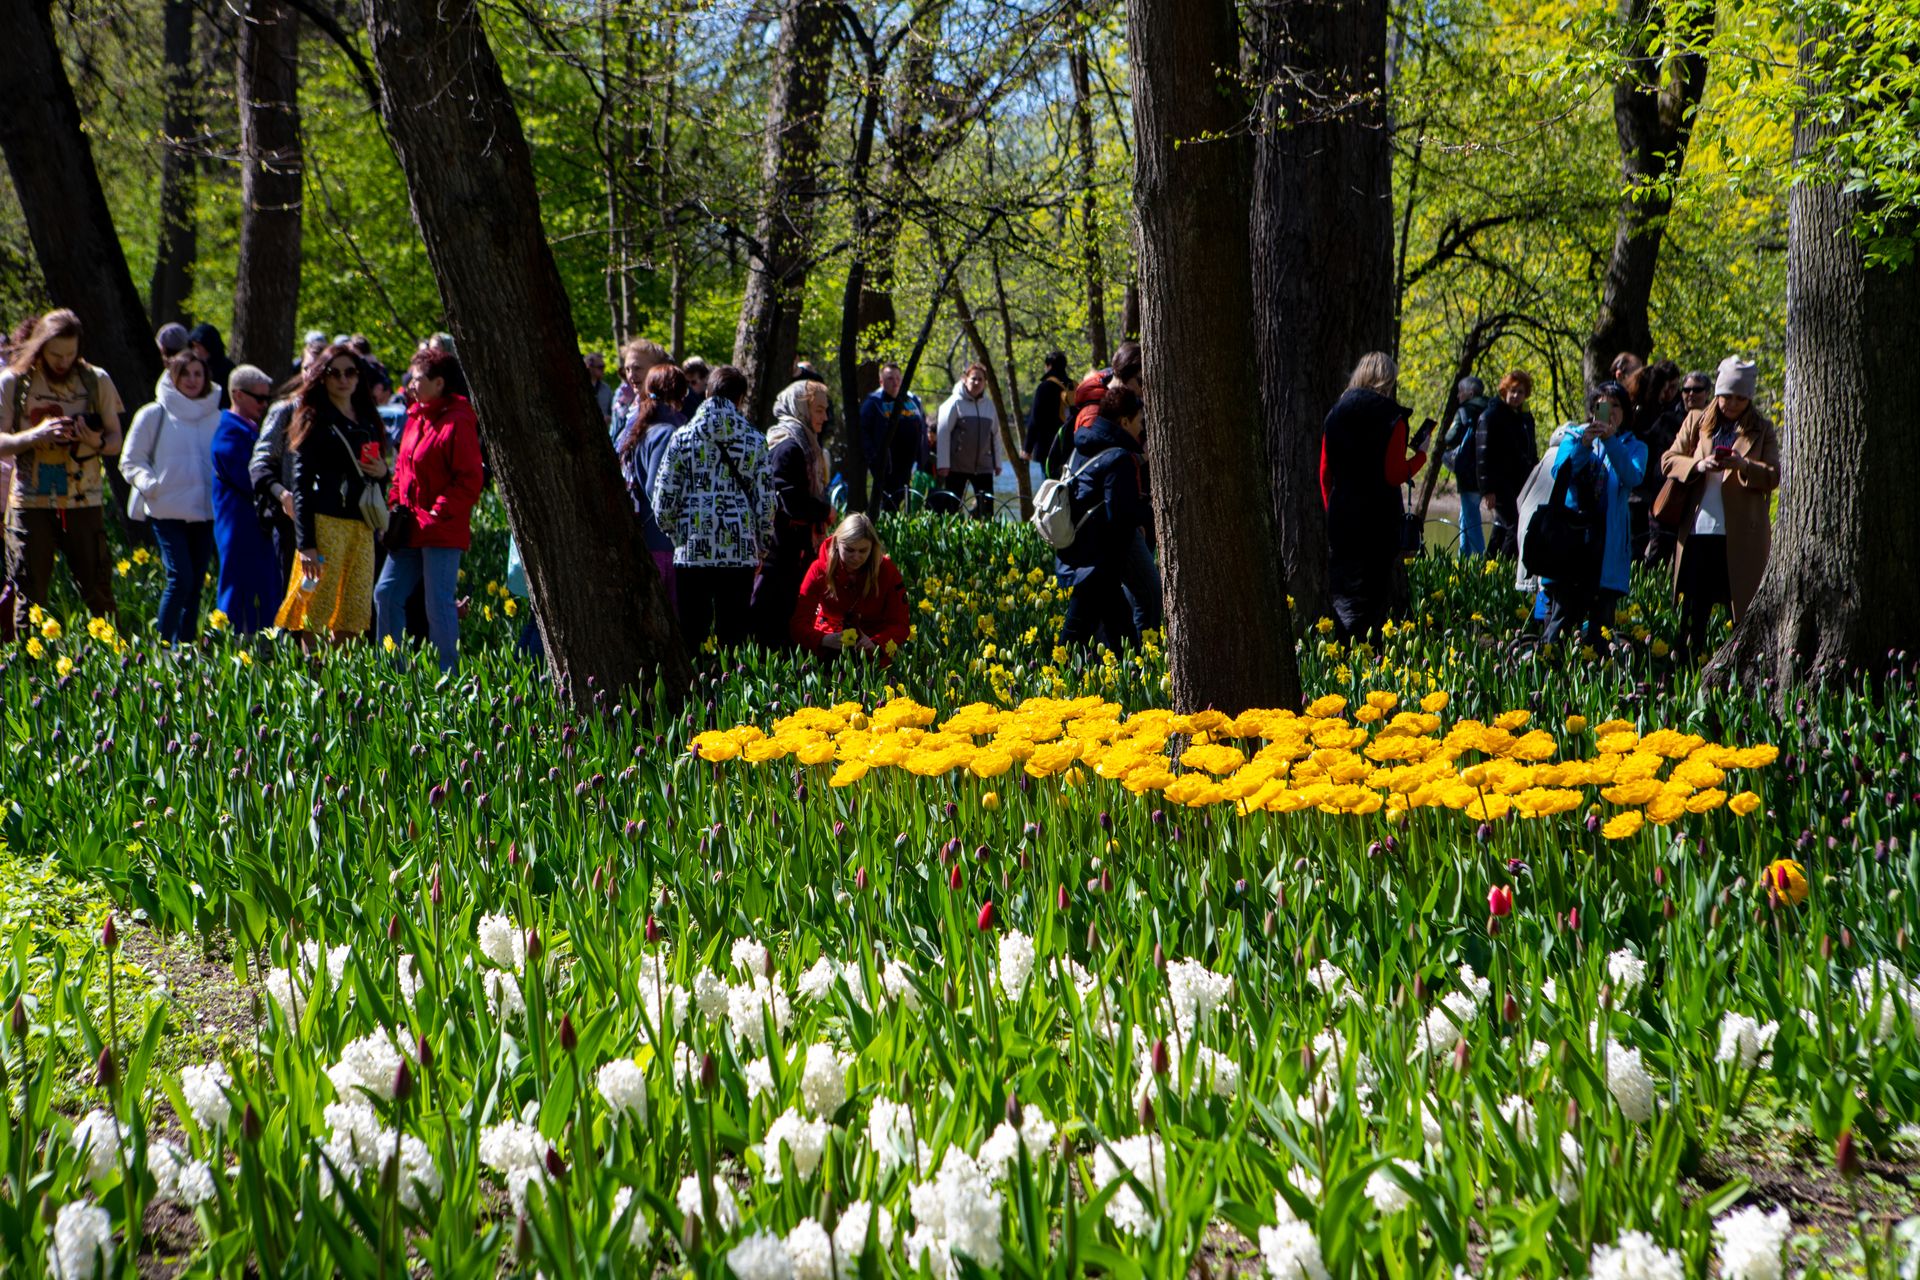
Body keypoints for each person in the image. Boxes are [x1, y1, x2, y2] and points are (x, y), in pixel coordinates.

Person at [0, 310, 124, 630]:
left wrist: (93, 441)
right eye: (55, 354)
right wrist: (35, 436)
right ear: (39, 346)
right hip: (30, 502)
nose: (62, 361)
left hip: (84, 500)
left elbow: (115, 440)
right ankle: (25, 667)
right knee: (28, 590)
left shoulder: (97, 381)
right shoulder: (13, 381)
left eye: (70, 354)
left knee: (98, 589)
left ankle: (113, 665)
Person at [1659, 357, 1780, 659]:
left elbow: (1774, 475)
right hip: (1699, 530)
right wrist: (1698, 465)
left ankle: (1741, 672)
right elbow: (1668, 460)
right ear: (1717, 393)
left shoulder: (1761, 429)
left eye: (1741, 398)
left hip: (1741, 535)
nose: (1733, 404)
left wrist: (1743, 465)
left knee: (1739, 611)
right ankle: (1686, 671)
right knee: (1693, 613)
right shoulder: (1697, 421)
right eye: (1727, 396)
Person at [650, 365, 774, 649]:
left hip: (692, 552)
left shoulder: (682, 438)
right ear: (741, 398)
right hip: (739, 553)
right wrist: (762, 544)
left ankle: (698, 691)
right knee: (733, 638)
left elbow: (663, 499)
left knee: (693, 636)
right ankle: (729, 690)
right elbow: (766, 501)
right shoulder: (754, 440)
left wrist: (677, 535)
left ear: (707, 393)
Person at [375, 350, 483, 672]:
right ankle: (392, 672)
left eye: (417, 377)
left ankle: (447, 678)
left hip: (441, 529)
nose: (410, 382)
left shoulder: (458, 420)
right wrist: (394, 503)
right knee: (386, 593)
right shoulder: (414, 416)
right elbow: (402, 470)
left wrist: (437, 512)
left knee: (438, 605)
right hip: (408, 526)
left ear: (439, 383)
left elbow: (469, 478)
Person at [274, 344, 389, 644]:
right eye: (334, 372)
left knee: (353, 612)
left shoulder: (367, 419)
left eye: (350, 372)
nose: (343, 379)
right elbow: (300, 485)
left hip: (361, 527)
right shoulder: (314, 418)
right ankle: (315, 681)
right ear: (322, 377)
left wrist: (383, 472)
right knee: (316, 612)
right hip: (325, 525)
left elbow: (378, 475)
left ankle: (341, 685)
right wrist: (306, 544)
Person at [1320, 352, 1428, 638]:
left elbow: (1324, 472)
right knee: (1372, 594)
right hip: (1378, 520)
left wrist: (1333, 508)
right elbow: (1393, 474)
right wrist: (1421, 456)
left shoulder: (1336, 412)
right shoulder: (1392, 416)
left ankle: (1343, 649)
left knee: (1344, 593)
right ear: (1387, 379)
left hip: (1342, 516)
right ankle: (1367, 655)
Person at [121, 351, 223, 642]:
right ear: (173, 375)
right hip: (166, 510)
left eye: (198, 374)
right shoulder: (154, 413)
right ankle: (164, 647)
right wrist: (150, 484)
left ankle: (187, 648)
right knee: (180, 579)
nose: (192, 380)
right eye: (185, 373)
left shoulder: (216, 417)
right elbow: (130, 459)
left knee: (195, 584)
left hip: (204, 513)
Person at [1536, 381, 1646, 647]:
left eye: (1616, 405)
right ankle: (1548, 682)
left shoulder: (1634, 447)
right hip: (1569, 546)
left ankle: (1595, 681)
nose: (1610, 411)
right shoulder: (1574, 437)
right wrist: (1585, 443)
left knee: (1600, 632)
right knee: (1559, 626)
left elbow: (1631, 476)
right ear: (1592, 410)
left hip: (1606, 550)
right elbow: (1560, 471)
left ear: (1626, 411)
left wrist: (1609, 440)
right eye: (1603, 405)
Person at [1056, 385, 1151, 649]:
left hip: (1085, 558)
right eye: (1140, 421)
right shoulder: (1119, 458)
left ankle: (1131, 681)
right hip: (1096, 565)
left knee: (1123, 641)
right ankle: (1044, 686)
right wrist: (1149, 512)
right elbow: (1120, 517)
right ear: (1124, 421)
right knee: (1069, 645)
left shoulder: (1084, 444)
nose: (1142, 429)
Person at [753, 380, 835, 647]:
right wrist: (824, 510)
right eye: (819, 409)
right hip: (783, 555)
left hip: (790, 553)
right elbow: (791, 502)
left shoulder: (803, 444)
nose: (825, 417)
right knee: (777, 627)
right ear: (802, 408)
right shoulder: (790, 447)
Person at [209, 364, 283, 634]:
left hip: (254, 526)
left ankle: (262, 641)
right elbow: (248, 478)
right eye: (259, 398)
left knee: (263, 586)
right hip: (238, 525)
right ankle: (228, 641)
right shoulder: (229, 432)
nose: (264, 404)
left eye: (267, 399)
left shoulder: (248, 429)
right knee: (236, 586)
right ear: (238, 395)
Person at [615, 362, 690, 604]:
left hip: (646, 537)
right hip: (663, 543)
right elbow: (656, 489)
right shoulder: (667, 432)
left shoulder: (639, 427)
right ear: (681, 395)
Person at [790, 513, 910, 659]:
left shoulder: (886, 570)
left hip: (873, 645)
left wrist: (877, 642)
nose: (856, 557)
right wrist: (822, 639)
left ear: (872, 547)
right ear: (837, 543)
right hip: (830, 641)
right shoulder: (819, 569)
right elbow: (798, 624)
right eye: (849, 550)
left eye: (863, 551)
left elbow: (900, 624)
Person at [1475, 369, 1538, 559]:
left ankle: (1488, 569)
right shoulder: (1491, 416)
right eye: (1513, 391)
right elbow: (1482, 455)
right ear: (1505, 391)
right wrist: (1487, 490)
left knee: (1501, 528)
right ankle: (1504, 568)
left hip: (1520, 483)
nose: (1516, 396)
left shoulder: (1524, 418)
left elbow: (1530, 450)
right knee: (1516, 525)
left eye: (1520, 392)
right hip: (1499, 483)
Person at [857, 362, 926, 513]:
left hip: (909, 466)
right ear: (881, 381)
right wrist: (874, 458)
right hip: (885, 467)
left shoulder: (912, 401)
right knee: (887, 505)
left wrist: (922, 460)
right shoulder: (874, 403)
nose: (894, 382)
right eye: (889, 378)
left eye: (897, 378)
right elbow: (863, 432)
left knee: (907, 504)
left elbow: (922, 431)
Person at [935, 363, 1001, 519]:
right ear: (965, 379)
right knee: (951, 509)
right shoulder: (954, 403)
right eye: (973, 379)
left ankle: (983, 539)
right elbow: (943, 434)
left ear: (985, 382)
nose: (977, 382)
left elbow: (996, 435)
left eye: (981, 379)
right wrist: (943, 464)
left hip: (984, 467)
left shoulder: (990, 406)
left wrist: (997, 463)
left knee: (986, 510)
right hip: (957, 466)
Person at [1441, 376, 1490, 557]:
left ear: (1470, 392)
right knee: (1465, 515)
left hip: (1468, 471)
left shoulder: (1465, 410)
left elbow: (1450, 438)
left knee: (1471, 517)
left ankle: (1481, 562)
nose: (1458, 396)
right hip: (1489, 471)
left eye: (1460, 392)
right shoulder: (1492, 408)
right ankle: (1464, 559)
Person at [1022, 351, 1073, 481]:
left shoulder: (1045, 387)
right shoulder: (1072, 386)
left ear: (1048, 366)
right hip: (1070, 446)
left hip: (1048, 448)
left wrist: (1027, 449)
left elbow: (1035, 420)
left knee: (1050, 486)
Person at [610, 337, 669, 446]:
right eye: (627, 369)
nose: (631, 375)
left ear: (657, 369)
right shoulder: (632, 408)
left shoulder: (667, 409)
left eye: (637, 368)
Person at [188, 323, 236, 410]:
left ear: (209, 345)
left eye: (198, 346)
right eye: (193, 346)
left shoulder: (227, 369)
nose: (196, 350)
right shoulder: (193, 367)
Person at [585, 352, 614, 424]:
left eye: (604, 366)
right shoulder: (579, 388)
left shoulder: (606, 389)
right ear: (589, 367)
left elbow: (613, 412)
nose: (603, 370)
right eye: (600, 367)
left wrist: (609, 418)